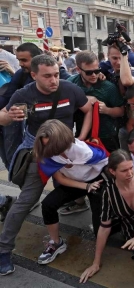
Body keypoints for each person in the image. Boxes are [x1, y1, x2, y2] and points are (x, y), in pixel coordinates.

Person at [0, 55, 92, 276]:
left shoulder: (70, 89)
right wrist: (8, 116)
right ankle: (4, 250)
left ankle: (63, 232)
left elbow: (88, 110)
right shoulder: (24, 94)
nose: (54, 80)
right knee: (26, 201)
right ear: (34, 75)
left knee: (81, 188)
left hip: (67, 149)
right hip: (38, 152)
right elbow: (2, 117)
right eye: (47, 76)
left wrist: (82, 138)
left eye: (56, 75)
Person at [79, 149, 134, 283]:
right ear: (112, 171)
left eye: (131, 168)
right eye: (124, 170)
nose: (130, 173)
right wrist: (96, 262)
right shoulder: (109, 193)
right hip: (132, 231)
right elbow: (104, 227)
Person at [32, 120, 108, 264]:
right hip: (76, 182)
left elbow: (106, 162)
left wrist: (100, 185)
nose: (51, 150)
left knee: (100, 227)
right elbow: (60, 178)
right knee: (48, 204)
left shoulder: (84, 150)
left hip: (97, 179)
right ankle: (56, 242)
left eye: (54, 146)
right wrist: (86, 186)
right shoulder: (46, 152)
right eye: (46, 145)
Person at [69, 50, 124, 152]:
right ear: (78, 70)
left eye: (97, 70)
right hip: (82, 137)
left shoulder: (108, 87)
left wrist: (107, 110)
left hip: (106, 136)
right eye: (89, 72)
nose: (94, 75)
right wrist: (83, 100)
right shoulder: (71, 84)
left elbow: (122, 111)